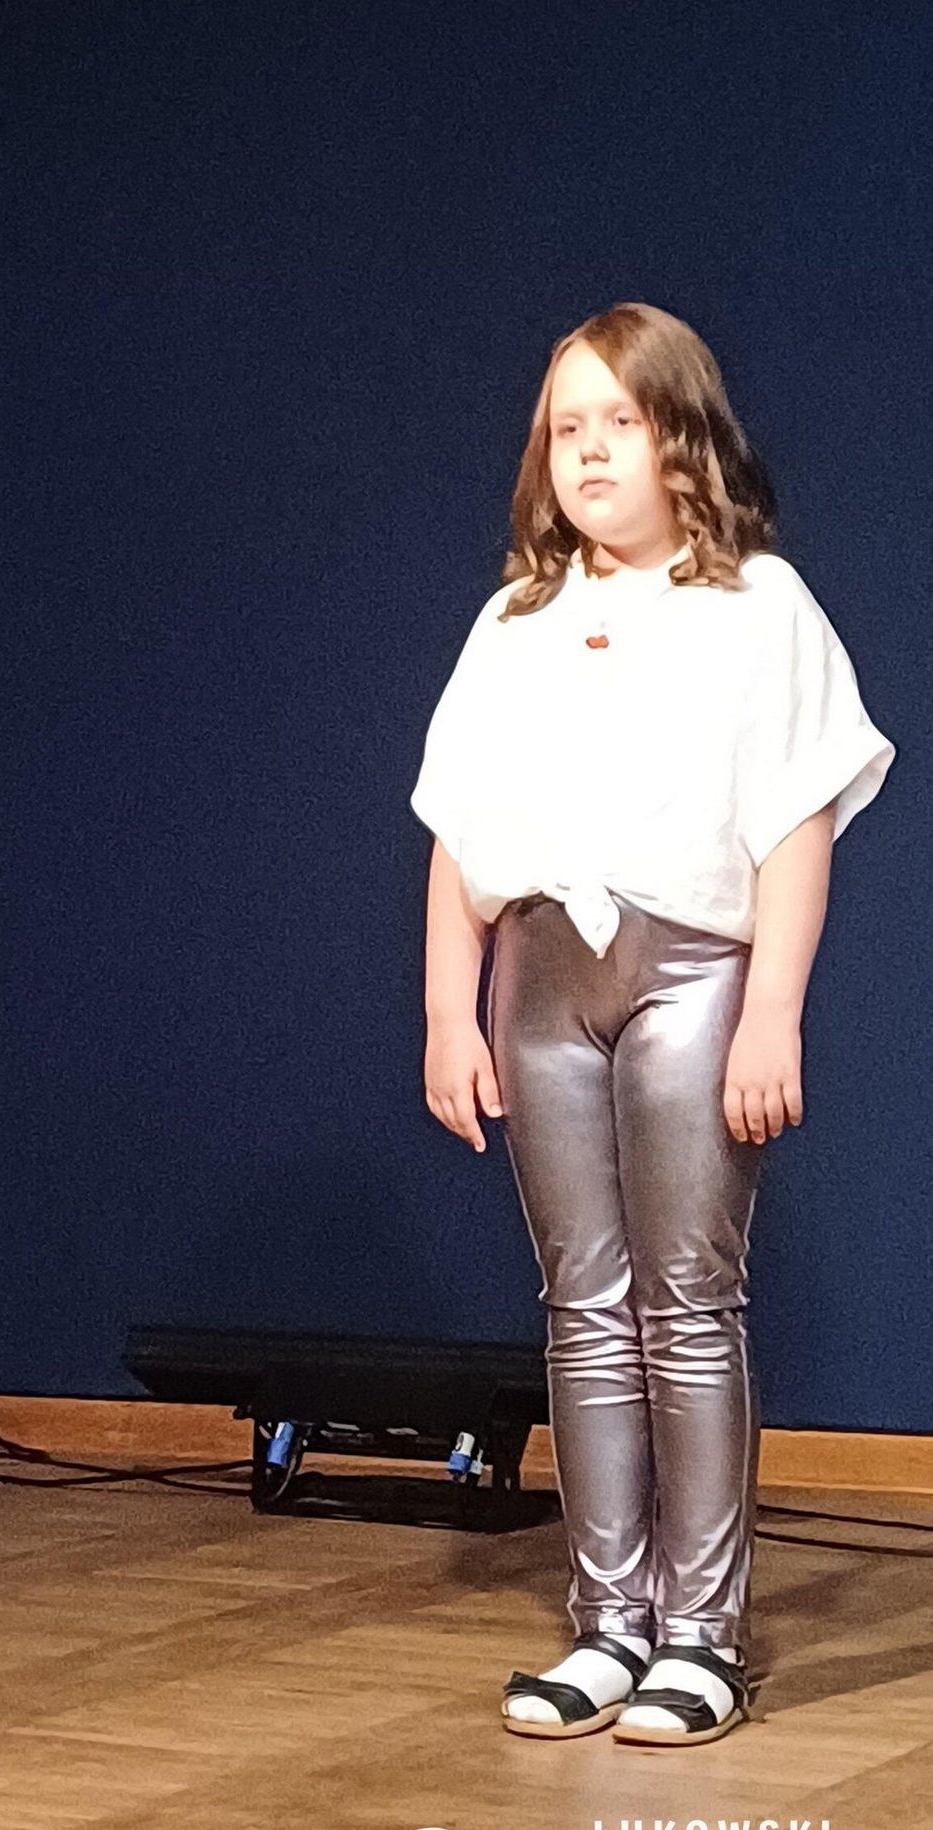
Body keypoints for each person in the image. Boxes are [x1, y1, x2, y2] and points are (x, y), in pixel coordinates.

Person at [410, 303, 896, 1748]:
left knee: (686, 1302)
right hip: (543, 979)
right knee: (582, 1304)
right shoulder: (514, 624)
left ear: (682, 438)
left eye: (618, 421)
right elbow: (458, 832)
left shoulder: (758, 607)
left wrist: (772, 1015)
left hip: (691, 975)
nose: (588, 451)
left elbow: (795, 828)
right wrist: (448, 1011)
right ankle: (607, 1622)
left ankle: (702, 1633)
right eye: (565, 427)